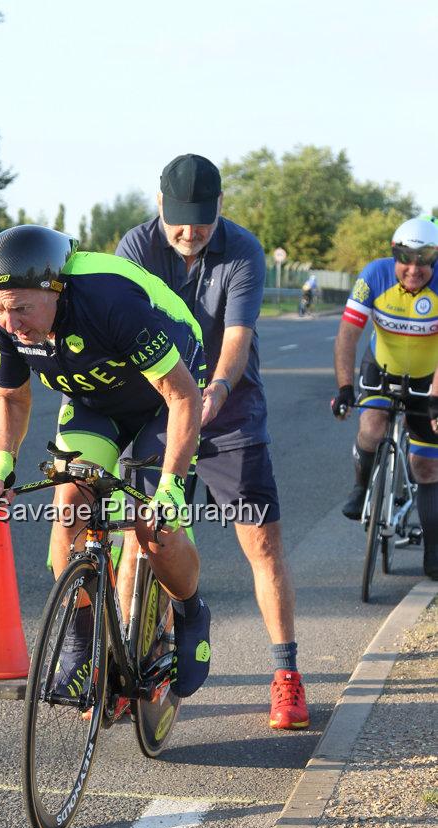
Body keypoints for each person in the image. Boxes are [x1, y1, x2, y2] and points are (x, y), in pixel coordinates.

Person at [117, 154, 308, 731]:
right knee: (138, 537)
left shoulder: (243, 250)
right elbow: (120, 326)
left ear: (219, 208)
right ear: (159, 207)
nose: (188, 233)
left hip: (230, 413)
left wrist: (218, 389)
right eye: (178, 221)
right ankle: (128, 669)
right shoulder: (136, 248)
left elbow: (237, 336)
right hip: (158, 408)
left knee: (262, 544)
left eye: (201, 221)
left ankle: (288, 676)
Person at [0, 223, 211, 698]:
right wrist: (2, 458)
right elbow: (10, 398)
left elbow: (183, 397)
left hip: (165, 398)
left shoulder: (108, 299)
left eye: (21, 308)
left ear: (56, 289)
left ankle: (190, 611)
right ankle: (81, 647)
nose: (10, 322)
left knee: (155, 524)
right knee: (69, 506)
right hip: (93, 400)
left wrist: (169, 484)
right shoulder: (6, 319)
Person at [332, 216, 438, 579]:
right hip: (382, 368)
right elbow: (348, 333)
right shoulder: (374, 275)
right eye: (405, 259)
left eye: (423, 261)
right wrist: (345, 387)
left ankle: (434, 551)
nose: (413, 269)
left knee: (426, 464)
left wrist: (436, 396)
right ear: (394, 255)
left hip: (430, 377)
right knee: (371, 428)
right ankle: (361, 489)